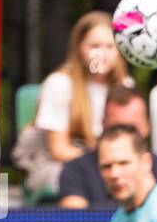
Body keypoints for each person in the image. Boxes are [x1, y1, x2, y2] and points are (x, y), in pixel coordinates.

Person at [16, 11, 134, 195]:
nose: (102, 54)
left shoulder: (125, 86)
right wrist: (105, 161)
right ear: (79, 47)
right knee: (82, 179)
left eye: (110, 47)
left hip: (107, 163)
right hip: (56, 165)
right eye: (95, 46)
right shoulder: (60, 83)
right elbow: (58, 150)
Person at [58, 86, 157, 208]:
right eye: (116, 129)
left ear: (146, 163)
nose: (115, 174)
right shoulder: (76, 170)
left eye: (124, 163)